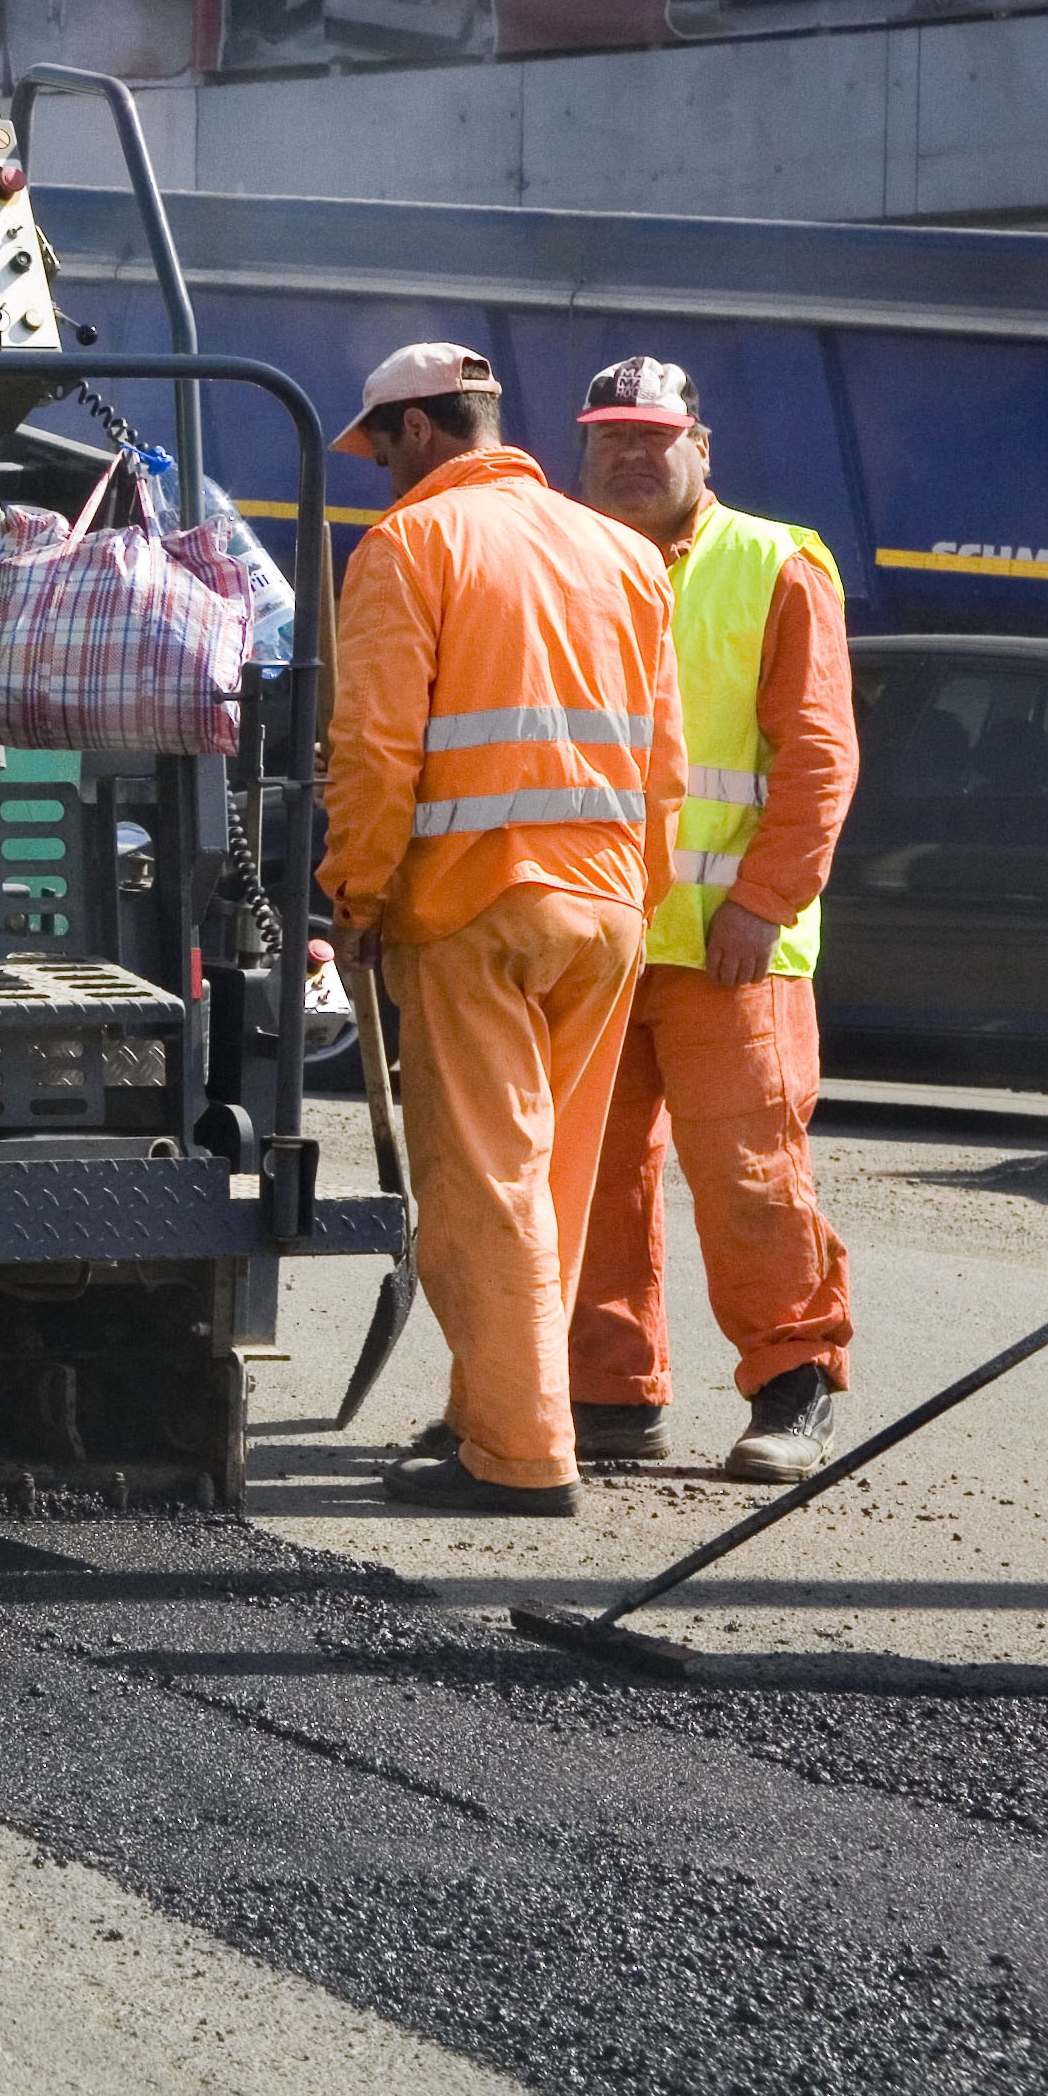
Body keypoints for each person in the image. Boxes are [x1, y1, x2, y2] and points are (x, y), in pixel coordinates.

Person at [320, 342, 686, 1516]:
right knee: (550, 1184)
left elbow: (376, 750)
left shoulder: (410, 547)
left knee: (486, 1186)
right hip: (607, 908)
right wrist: (641, 888)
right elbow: (664, 764)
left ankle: (522, 1454)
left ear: (419, 432)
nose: (377, 469)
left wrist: (358, 894)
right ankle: (496, 1410)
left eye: (379, 446)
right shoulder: (624, 555)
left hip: (472, 907)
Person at [562, 356, 859, 1483]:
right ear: (582, 451)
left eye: (654, 437)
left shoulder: (773, 564)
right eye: (611, 438)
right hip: (600, 938)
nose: (633, 456)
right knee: (597, 1180)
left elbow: (819, 758)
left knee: (748, 1174)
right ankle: (611, 1395)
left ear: (702, 447)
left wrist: (760, 903)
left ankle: (796, 1387)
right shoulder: (567, 558)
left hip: (731, 948)